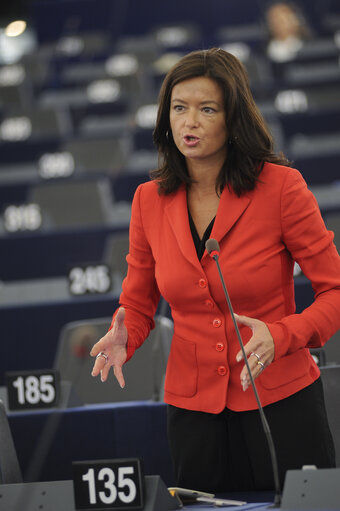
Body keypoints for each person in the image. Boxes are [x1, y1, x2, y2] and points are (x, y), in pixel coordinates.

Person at [90, 48, 340, 493]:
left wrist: (283, 335)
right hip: (193, 412)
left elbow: (334, 292)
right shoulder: (148, 200)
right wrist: (125, 332)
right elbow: (138, 302)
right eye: (179, 108)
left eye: (207, 110)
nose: (190, 122)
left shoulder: (282, 187)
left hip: (281, 401)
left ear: (234, 118)